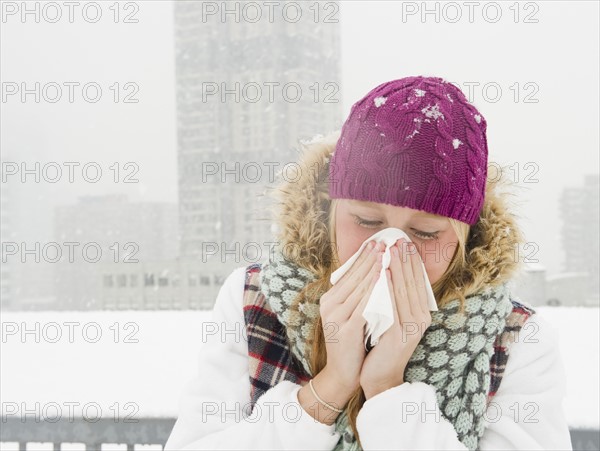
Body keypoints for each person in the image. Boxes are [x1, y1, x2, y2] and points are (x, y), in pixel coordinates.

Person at [164, 76, 572, 450]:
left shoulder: (516, 340)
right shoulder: (257, 301)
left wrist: (387, 390)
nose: (390, 249)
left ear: (465, 239)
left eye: (426, 233)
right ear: (330, 212)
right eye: (366, 221)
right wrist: (328, 389)